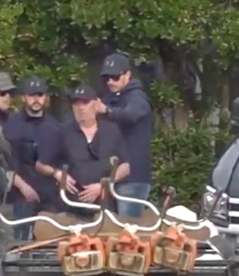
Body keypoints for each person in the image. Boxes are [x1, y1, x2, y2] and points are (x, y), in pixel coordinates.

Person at [0, 72, 37, 276]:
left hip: (6, 195)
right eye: (3, 93)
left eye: (10, 93)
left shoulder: (8, 118)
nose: (7, 97)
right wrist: (21, 184)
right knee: (8, 253)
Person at [38, 85, 130, 217]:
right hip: (71, 207)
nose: (81, 108)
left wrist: (105, 185)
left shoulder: (112, 131)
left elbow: (125, 165)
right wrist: (57, 173)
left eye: (85, 103)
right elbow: (41, 164)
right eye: (76, 104)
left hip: (104, 207)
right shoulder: (61, 132)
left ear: (95, 103)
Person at [96, 52, 154, 217]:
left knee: (128, 233)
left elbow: (130, 115)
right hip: (111, 176)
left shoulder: (138, 98)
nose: (110, 82)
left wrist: (106, 111)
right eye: (106, 78)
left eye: (115, 77)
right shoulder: (109, 97)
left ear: (127, 75)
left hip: (133, 179)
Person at [13, 77, 63, 239]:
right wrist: (22, 186)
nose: (36, 99)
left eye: (40, 95)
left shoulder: (56, 127)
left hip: (50, 197)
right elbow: (4, 162)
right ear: (23, 97)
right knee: (20, 245)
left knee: (49, 244)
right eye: (31, 95)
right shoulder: (12, 125)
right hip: (22, 195)